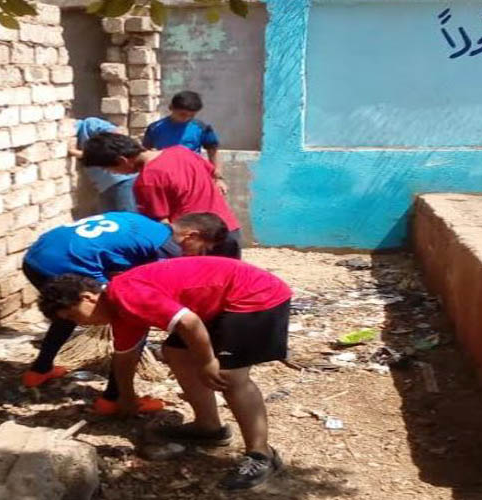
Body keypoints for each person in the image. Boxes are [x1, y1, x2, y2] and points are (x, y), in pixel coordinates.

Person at [37, 256, 292, 490]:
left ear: (88, 298)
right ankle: (209, 427)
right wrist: (127, 397)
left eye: (74, 316)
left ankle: (261, 455)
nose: (79, 324)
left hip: (254, 295)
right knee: (176, 353)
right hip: (218, 303)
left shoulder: (125, 294)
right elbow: (125, 357)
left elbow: (189, 322)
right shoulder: (119, 312)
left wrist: (206, 362)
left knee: (230, 376)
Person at [21, 211, 229, 416]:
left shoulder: (142, 223)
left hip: (35, 260)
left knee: (68, 312)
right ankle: (113, 399)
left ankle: (39, 370)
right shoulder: (167, 248)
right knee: (133, 316)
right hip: (67, 264)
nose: (199, 254)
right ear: (191, 236)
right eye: (203, 248)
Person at [83, 132, 243, 259]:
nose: (114, 174)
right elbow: (212, 174)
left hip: (198, 242)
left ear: (122, 160)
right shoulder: (181, 152)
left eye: (109, 169)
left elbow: (161, 227)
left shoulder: (147, 180)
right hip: (228, 229)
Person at [142, 90, 227, 195]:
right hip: (164, 177)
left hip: (192, 177)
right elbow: (146, 152)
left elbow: (213, 152)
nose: (186, 118)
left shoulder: (201, 128)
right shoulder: (155, 128)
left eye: (191, 116)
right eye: (182, 114)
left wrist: (218, 179)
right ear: (171, 108)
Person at [68, 117, 138, 212]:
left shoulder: (89, 124)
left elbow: (117, 135)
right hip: (104, 185)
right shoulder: (78, 136)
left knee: (127, 215)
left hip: (122, 180)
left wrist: (78, 153)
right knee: (109, 217)